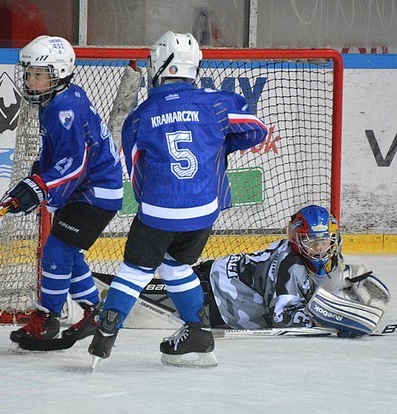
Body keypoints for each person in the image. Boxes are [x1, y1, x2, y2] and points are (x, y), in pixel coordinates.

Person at [88, 31, 268, 368]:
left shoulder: (140, 116)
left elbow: (136, 172)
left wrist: (153, 205)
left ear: (157, 66)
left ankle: (106, 332)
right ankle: (198, 332)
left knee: (134, 272)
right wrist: (219, 147)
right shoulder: (216, 102)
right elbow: (257, 129)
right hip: (204, 210)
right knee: (176, 266)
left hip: (158, 211)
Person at [0, 35, 123, 344]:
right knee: (67, 250)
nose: (31, 80)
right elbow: (59, 153)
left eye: (39, 74)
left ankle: (48, 319)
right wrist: (37, 176)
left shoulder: (65, 108)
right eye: (29, 73)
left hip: (96, 191)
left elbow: (75, 163)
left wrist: (39, 185)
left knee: (56, 249)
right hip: (84, 188)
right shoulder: (57, 99)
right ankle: (93, 311)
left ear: (60, 73)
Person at [196, 205, 391, 337]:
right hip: (213, 294)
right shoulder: (288, 266)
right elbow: (282, 318)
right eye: (311, 242)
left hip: (219, 280)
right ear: (296, 240)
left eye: (325, 241)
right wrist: (335, 320)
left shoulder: (333, 258)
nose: (319, 248)